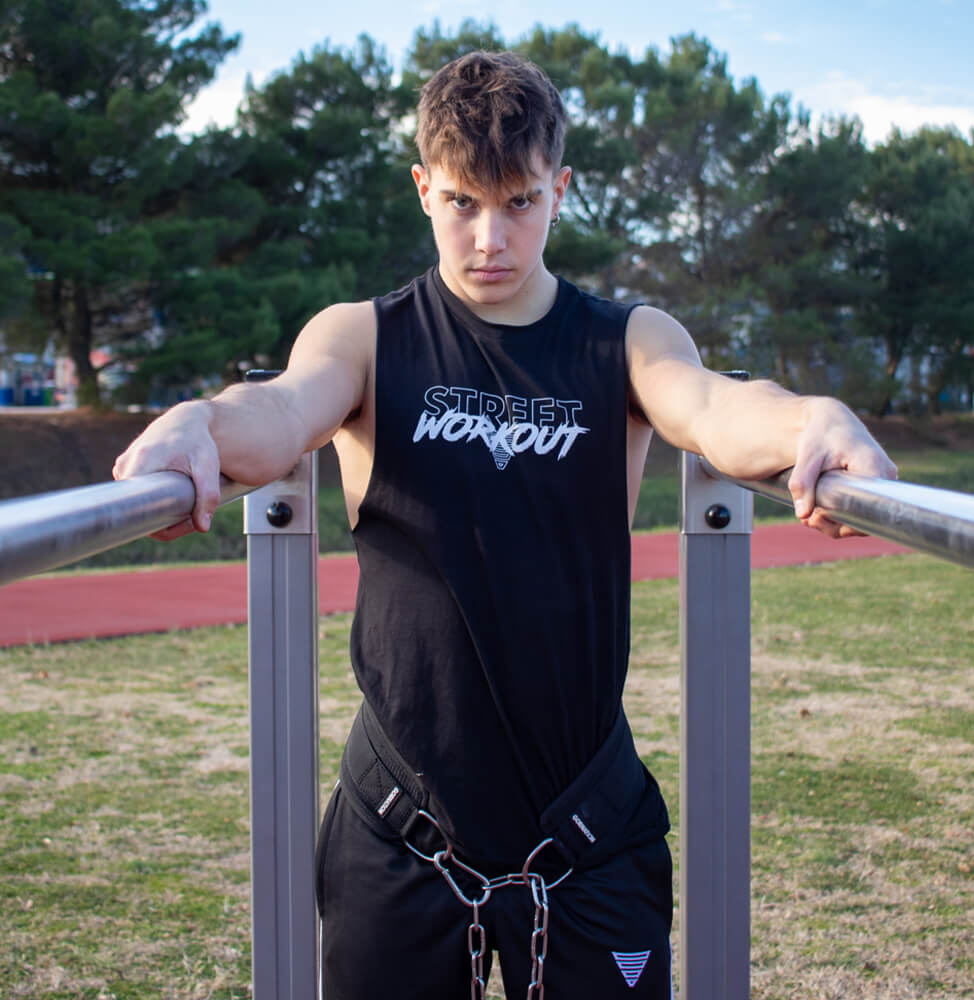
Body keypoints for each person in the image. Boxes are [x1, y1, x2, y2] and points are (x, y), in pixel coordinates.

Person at [114, 50, 896, 1000]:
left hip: (588, 827)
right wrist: (199, 421)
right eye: (461, 203)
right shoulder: (363, 336)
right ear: (421, 190)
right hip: (400, 826)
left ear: (560, 189)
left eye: (520, 202)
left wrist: (808, 418)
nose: (490, 237)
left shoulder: (627, 339)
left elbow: (714, 410)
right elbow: (280, 411)